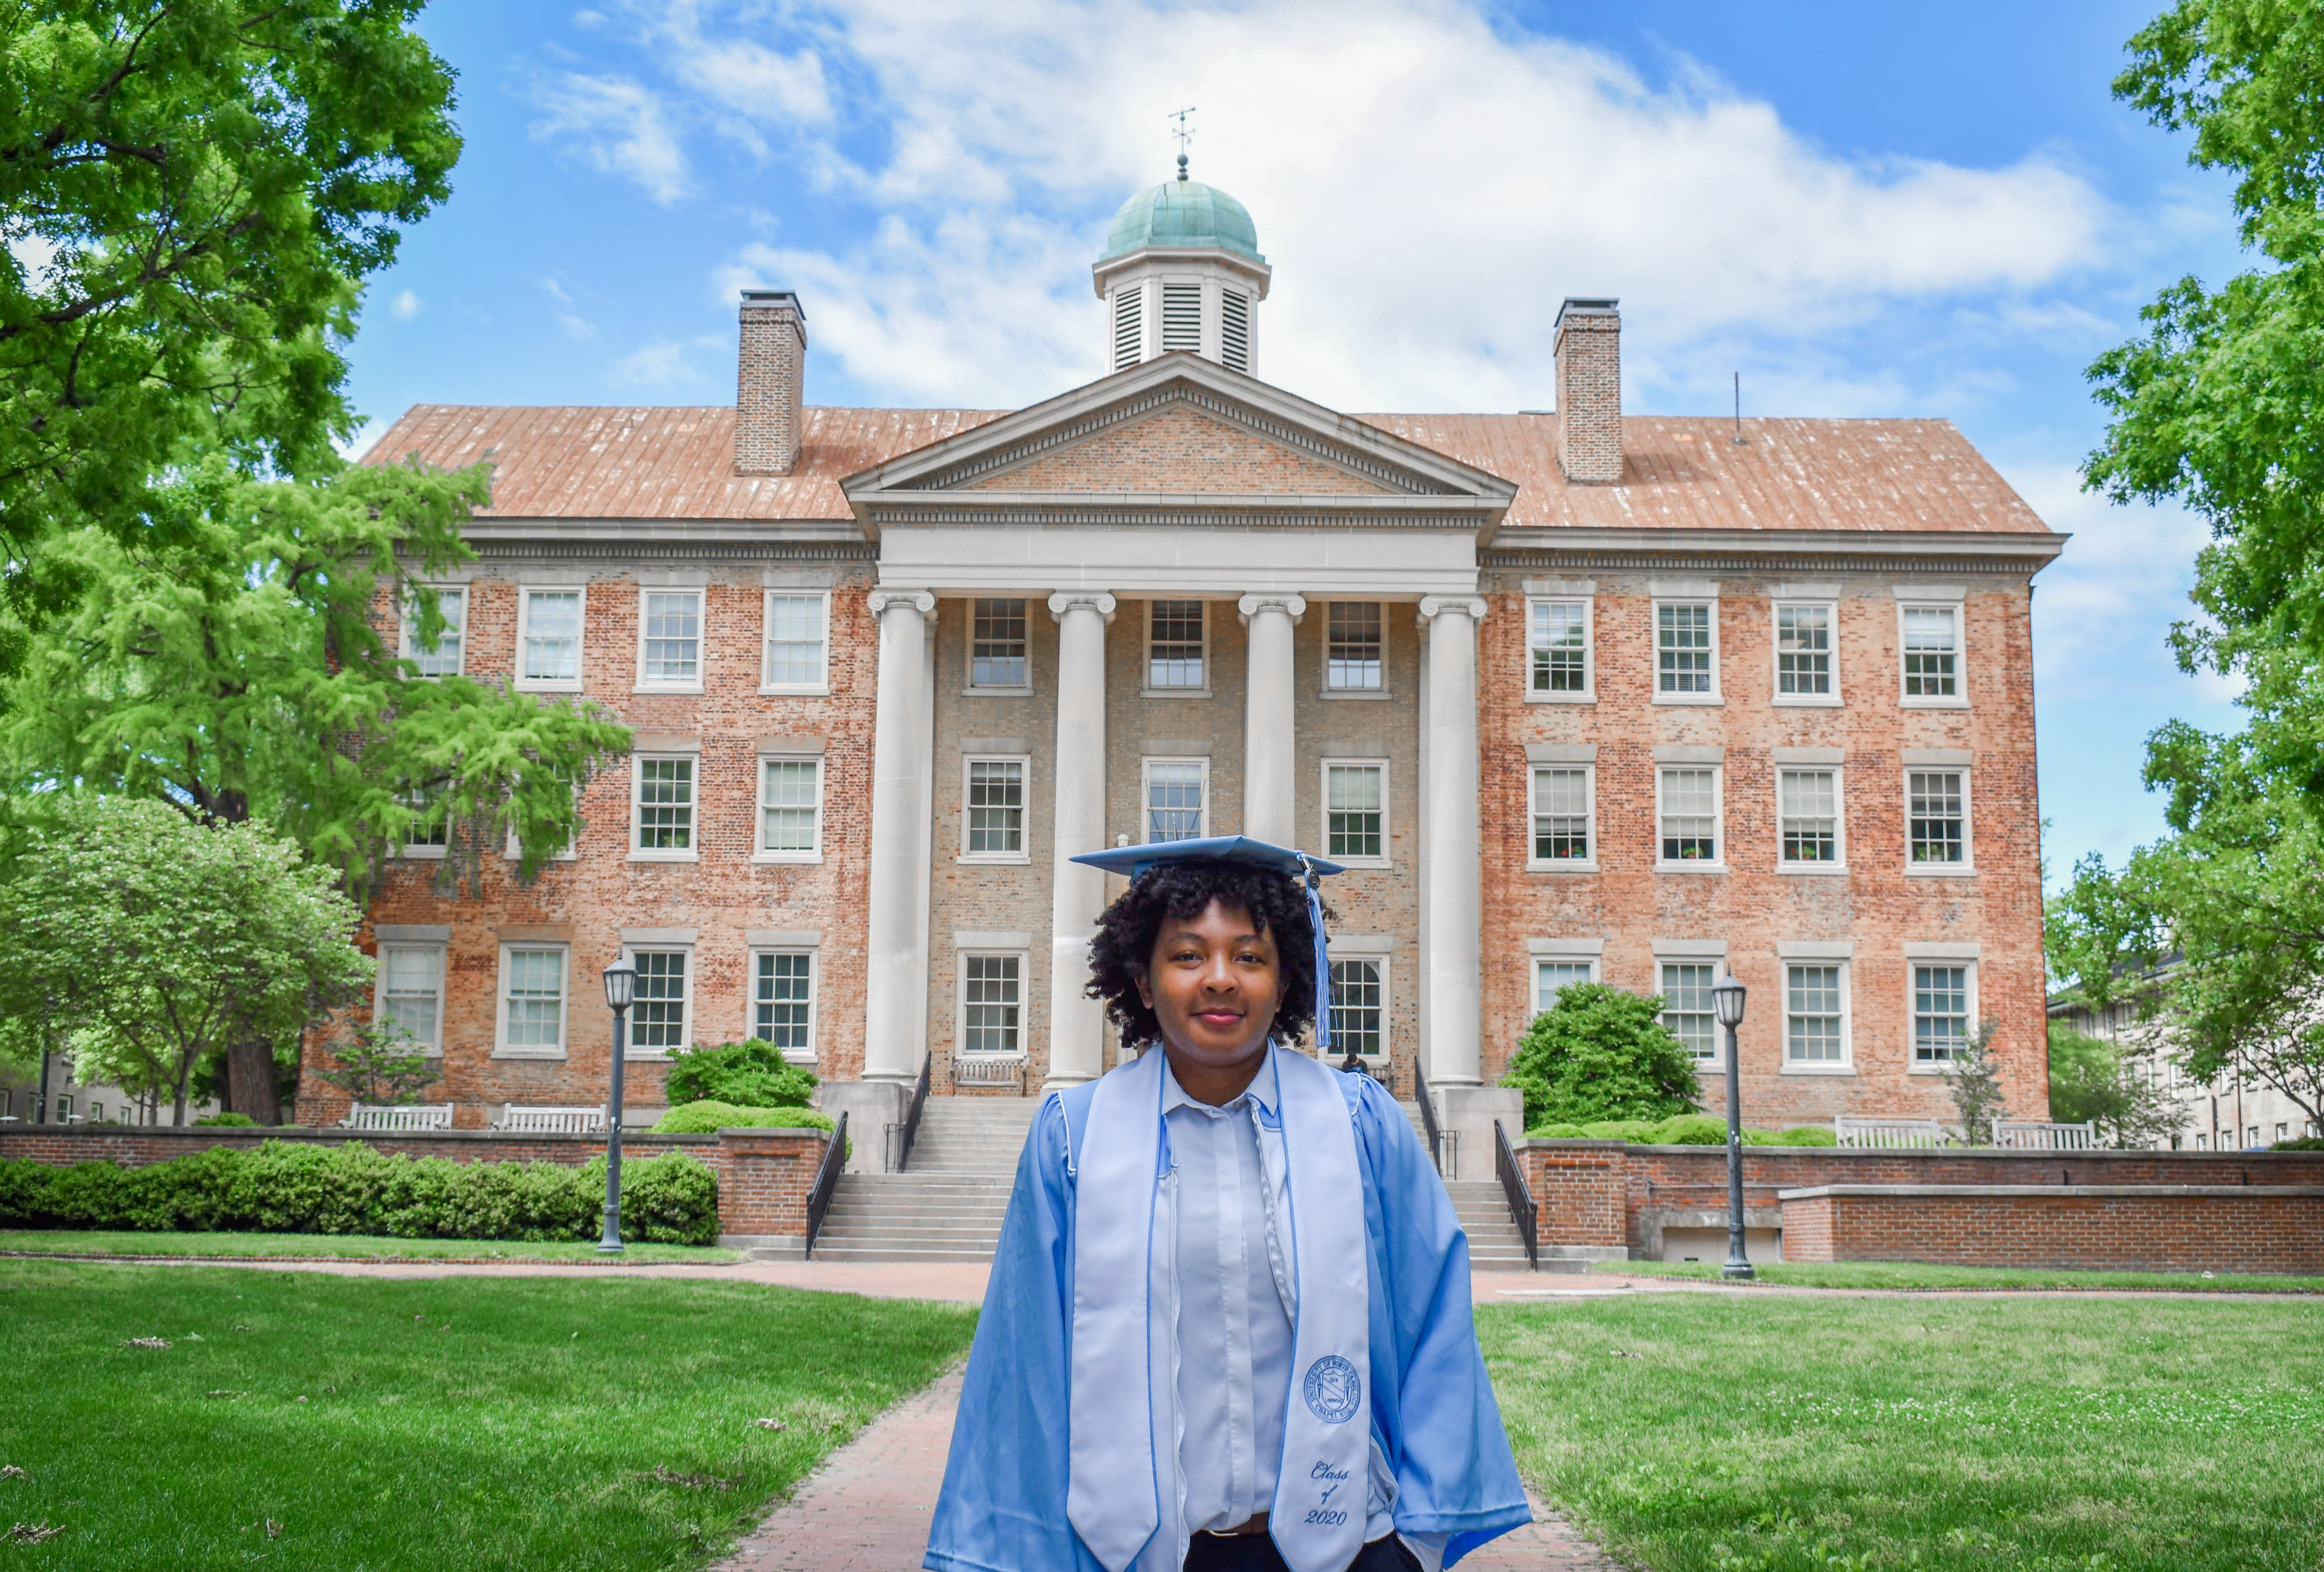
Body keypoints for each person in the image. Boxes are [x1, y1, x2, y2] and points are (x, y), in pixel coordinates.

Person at [925, 836, 1530, 1572]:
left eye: (1250, 957)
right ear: (1143, 983)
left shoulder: (1358, 1126)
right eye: (1187, 955)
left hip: (1344, 1548)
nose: (1220, 979)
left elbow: (1435, 1324)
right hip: (1134, 1553)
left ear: (1285, 982)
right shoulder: (1073, 1140)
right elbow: (1024, 1369)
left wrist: (1414, 1547)